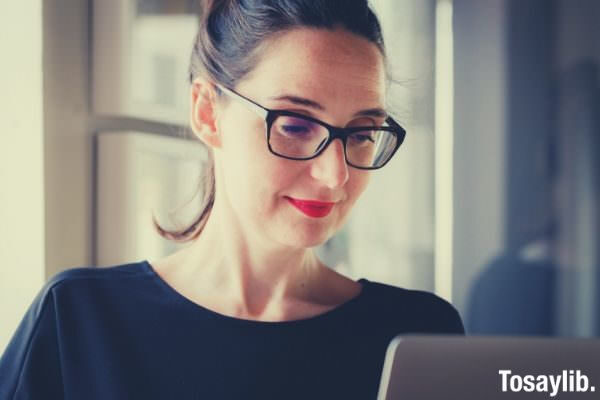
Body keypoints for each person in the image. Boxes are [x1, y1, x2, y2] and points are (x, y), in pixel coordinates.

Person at [0, 0, 464, 398]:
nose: (334, 175)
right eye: (296, 125)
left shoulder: (416, 335)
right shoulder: (79, 321)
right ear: (207, 112)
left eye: (362, 134)